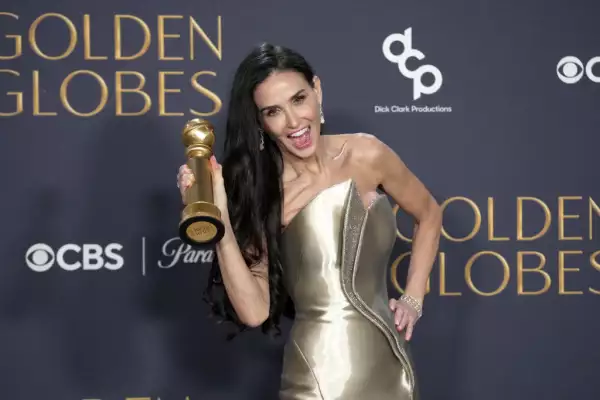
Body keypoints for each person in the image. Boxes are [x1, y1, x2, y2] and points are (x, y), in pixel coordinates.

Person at [176, 43, 442, 400]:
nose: (293, 122)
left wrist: (413, 298)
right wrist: (220, 221)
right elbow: (255, 312)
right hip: (318, 375)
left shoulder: (367, 154)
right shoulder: (265, 194)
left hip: (391, 369)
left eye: (299, 99)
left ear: (317, 90)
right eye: (273, 111)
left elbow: (428, 213)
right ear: (260, 121)